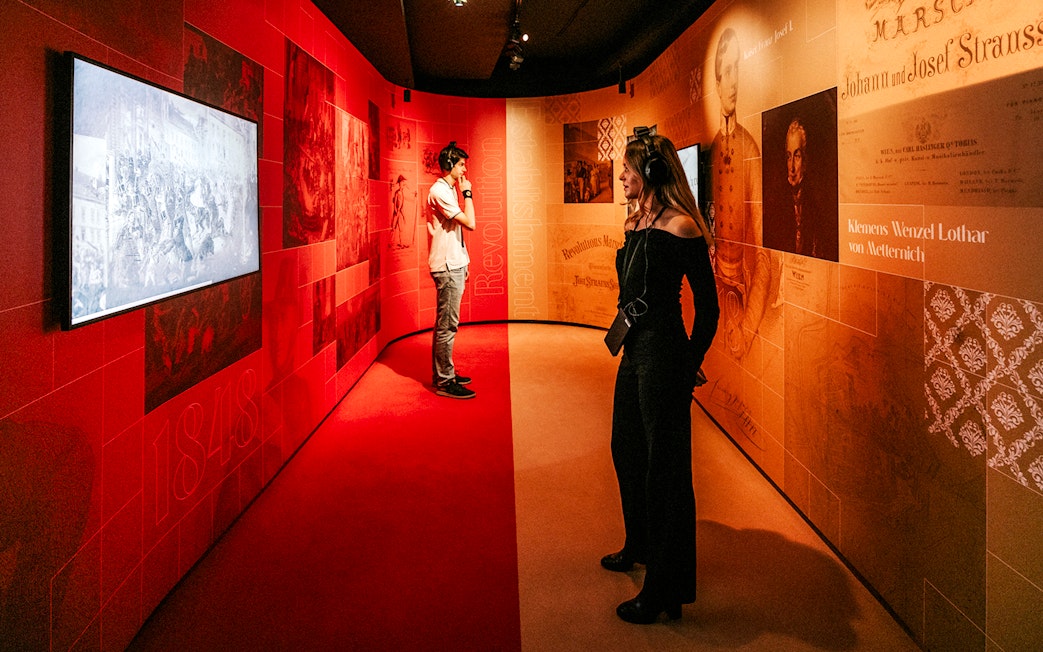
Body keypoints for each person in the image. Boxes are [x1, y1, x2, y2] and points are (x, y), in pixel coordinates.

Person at [602, 127, 720, 624]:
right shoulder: (637, 221)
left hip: (663, 356)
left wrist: (687, 362)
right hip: (634, 350)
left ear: (650, 172)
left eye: (628, 169)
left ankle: (663, 591)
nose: (622, 177)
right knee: (625, 450)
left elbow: (709, 309)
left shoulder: (682, 227)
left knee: (664, 473)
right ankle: (640, 544)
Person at [710, 27, 772, 360]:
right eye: (727, 72)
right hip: (714, 285)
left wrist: (746, 330)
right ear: (717, 82)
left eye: (738, 69)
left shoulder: (749, 150)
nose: (734, 81)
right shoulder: (712, 150)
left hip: (742, 291)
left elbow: (763, 256)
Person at [427, 141, 476, 399]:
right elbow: (470, 224)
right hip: (446, 266)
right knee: (448, 325)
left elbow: (457, 232)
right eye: (461, 165)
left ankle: (444, 373)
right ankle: (445, 381)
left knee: (446, 324)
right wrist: (467, 194)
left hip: (454, 263)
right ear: (450, 165)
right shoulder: (441, 191)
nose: (464, 170)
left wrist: (464, 260)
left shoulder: (448, 189)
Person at [766, 118, 838, 260]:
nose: (792, 167)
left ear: (805, 161)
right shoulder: (776, 202)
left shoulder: (815, 202)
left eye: (797, 156)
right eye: (788, 157)